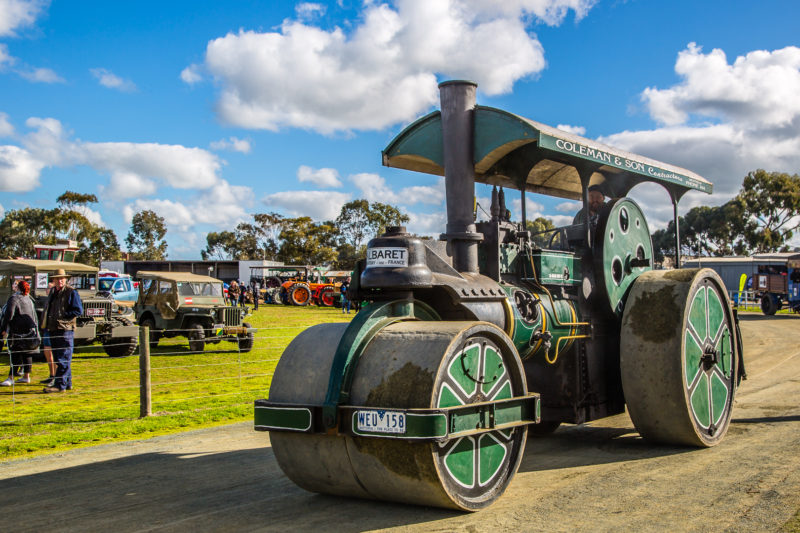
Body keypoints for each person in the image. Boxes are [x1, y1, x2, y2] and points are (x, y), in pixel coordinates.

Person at [41, 269, 83, 393]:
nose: (59, 281)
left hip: (65, 329)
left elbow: (78, 310)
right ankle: (67, 383)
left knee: (63, 358)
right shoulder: (53, 292)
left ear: (65, 279)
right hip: (54, 328)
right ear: (53, 280)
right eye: (57, 279)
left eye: (62, 278)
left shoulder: (71, 292)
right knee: (61, 357)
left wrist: (63, 317)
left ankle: (60, 385)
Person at [0, 280, 39, 386]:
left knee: (15, 354)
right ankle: (26, 376)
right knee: (27, 353)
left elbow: (9, 314)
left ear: (18, 288)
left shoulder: (14, 298)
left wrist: (3, 328)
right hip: (29, 332)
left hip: (17, 331)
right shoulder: (29, 299)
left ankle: (10, 378)